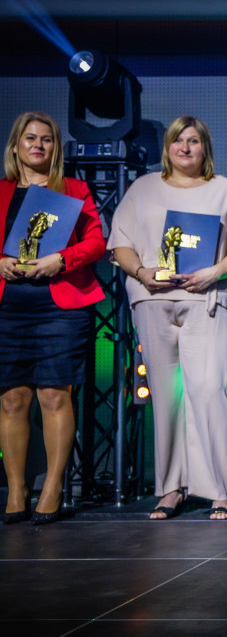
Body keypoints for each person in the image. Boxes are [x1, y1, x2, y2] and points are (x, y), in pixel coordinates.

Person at [108, 115, 227, 521]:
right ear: (168, 148)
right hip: (153, 301)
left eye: (194, 141)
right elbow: (120, 244)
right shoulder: (143, 188)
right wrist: (141, 272)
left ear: (205, 148)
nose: (185, 148)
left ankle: (220, 490)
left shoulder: (226, 190)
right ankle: (171, 488)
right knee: (165, 396)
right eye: (178, 141)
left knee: (209, 390)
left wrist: (214, 272)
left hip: (207, 300)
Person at [0, 112, 105, 525]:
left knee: (54, 395)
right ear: (15, 146)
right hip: (9, 308)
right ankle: (16, 489)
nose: (38, 145)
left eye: (46, 139)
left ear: (55, 148)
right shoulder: (2, 191)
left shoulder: (74, 190)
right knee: (12, 399)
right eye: (30, 138)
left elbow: (96, 242)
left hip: (60, 308)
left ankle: (53, 487)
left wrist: (62, 259)